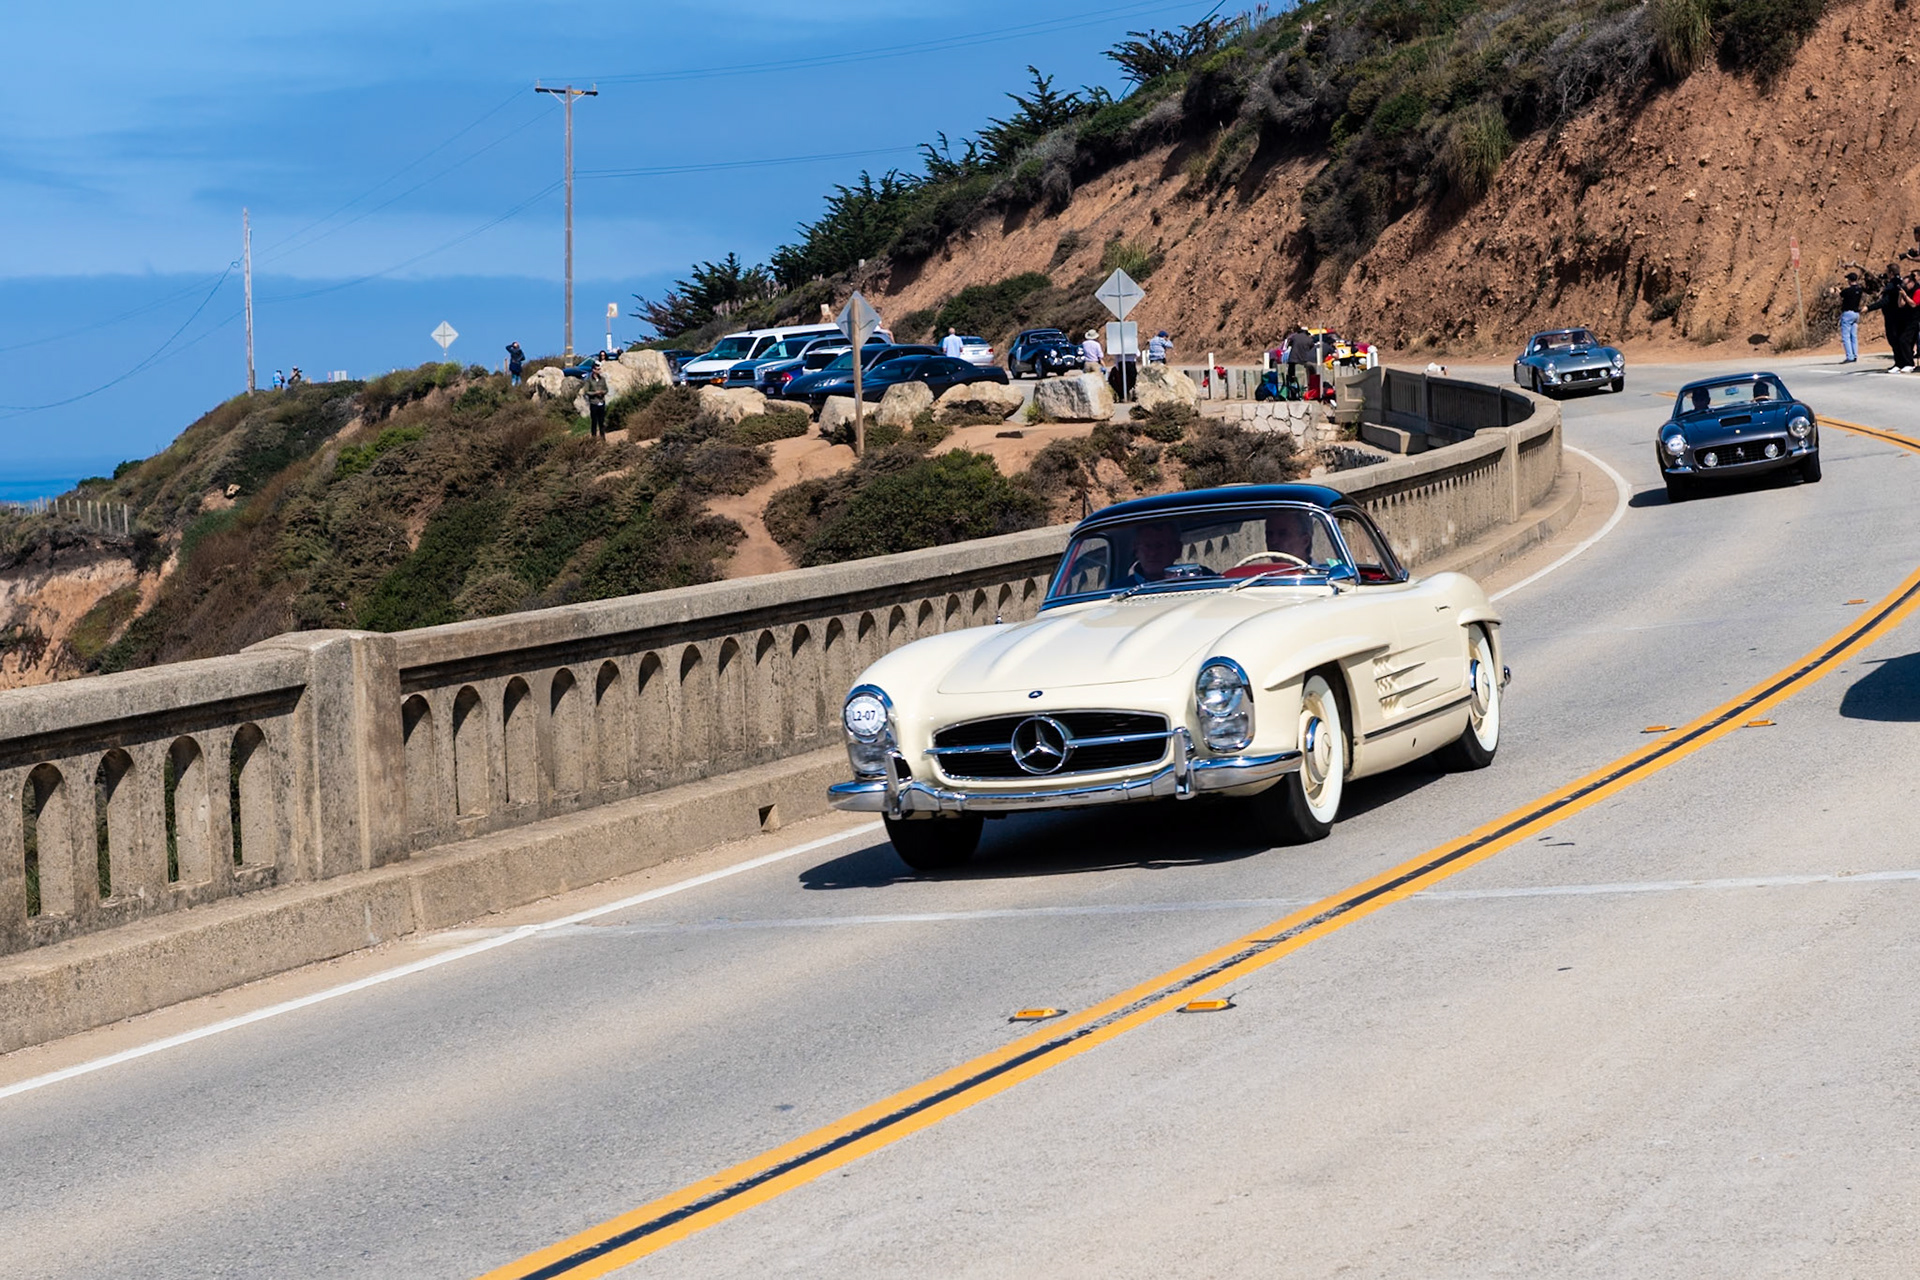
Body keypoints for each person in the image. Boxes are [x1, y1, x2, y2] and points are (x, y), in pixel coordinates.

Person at [1837, 274, 1864, 364]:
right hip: (1856, 313)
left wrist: (1836, 291)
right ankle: (1855, 355)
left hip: (1847, 313)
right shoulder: (1859, 290)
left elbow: (1841, 295)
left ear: (1849, 280)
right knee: (1854, 336)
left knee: (1846, 336)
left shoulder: (1847, 291)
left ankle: (1849, 356)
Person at [1283, 325, 1315, 397]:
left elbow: (1288, 344)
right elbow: (1312, 347)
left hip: (1292, 360)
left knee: (1291, 377)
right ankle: (1302, 393)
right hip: (1303, 360)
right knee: (1304, 376)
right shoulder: (1309, 339)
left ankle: (1291, 393)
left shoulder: (1294, 337)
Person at [585, 360, 610, 436]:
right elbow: (586, 391)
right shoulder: (589, 380)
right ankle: (594, 439)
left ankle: (603, 439)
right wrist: (595, 393)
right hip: (594, 403)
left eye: (599, 369)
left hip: (601, 402)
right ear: (593, 370)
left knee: (601, 422)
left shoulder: (602, 379)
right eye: (597, 369)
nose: (599, 371)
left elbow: (606, 389)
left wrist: (602, 392)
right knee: (594, 422)